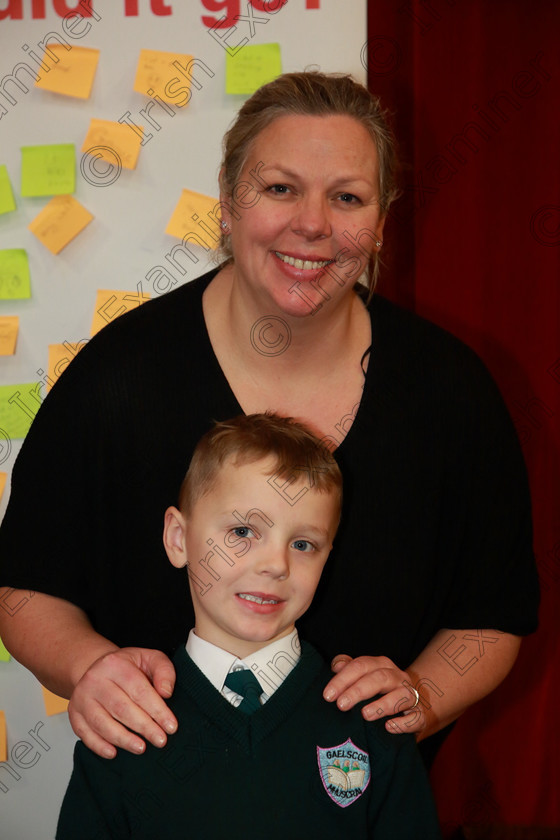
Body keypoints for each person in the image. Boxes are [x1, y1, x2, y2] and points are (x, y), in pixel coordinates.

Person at [0, 72, 539, 766]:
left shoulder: (451, 392)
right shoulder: (119, 379)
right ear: (226, 202)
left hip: (364, 810)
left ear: (380, 221)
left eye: (347, 197)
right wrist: (88, 669)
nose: (312, 223)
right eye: (280, 188)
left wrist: (423, 696)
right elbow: (24, 587)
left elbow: (492, 618)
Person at [56, 413, 441, 839]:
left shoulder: (373, 720)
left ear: (327, 556)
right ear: (178, 539)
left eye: (303, 544)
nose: (276, 564)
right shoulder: (120, 721)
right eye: (243, 531)